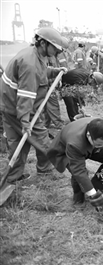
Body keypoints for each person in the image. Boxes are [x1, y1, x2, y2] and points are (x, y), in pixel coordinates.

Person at [0, 27, 67, 183]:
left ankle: (13, 176)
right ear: (43, 43)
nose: (57, 52)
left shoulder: (34, 54)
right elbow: (26, 96)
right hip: (20, 108)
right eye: (55, 48)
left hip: (8, 105)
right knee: (42, 139)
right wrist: (25, 121)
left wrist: (55, 71)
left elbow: (42, 71)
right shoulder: (30, 63)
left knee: (18, 142)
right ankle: (45, 170)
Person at [47, 118, 103, 209]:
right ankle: (78, 199)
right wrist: (96, 198)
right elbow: (79, 172)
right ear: (88, 135)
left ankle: (95, 189)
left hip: (89, 145)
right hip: (64, 151)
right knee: (78, 174)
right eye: (100, 144)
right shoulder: (74, 143)